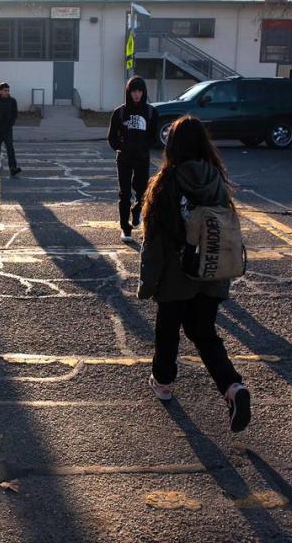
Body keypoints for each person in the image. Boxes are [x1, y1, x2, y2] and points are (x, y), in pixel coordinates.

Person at [137, 116, 251, 433]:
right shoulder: (215, 179)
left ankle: (163, 382)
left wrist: (149, 281)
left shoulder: (165, 183)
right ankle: (233, 388)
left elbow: (154, 240)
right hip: (212, 270)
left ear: (171, 145)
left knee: (168, 329)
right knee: (204, 333)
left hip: (177, 274)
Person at [108, 76, 158, 242]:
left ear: (143, 92)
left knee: (143, 192)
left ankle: (137, 212)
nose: (136, 94)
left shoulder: (151, 112)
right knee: (124, 194)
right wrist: (120, 147)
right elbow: (111, 137)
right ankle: (125, 228)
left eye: (139, 91)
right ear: (128, 92)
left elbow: (154, 137)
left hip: (142, 159)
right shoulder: (120, 112)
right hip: (124, 159)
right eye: (133, 91)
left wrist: (144, 148)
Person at [0, 82, 21, 176]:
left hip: (8, 129)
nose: (7, 92)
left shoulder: (12, 101)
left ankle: (13, 168)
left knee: (10, 149)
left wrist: (11, 123)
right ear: (0, 91)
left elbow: (15, 114)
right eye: (5, 90)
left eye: (8, 90)